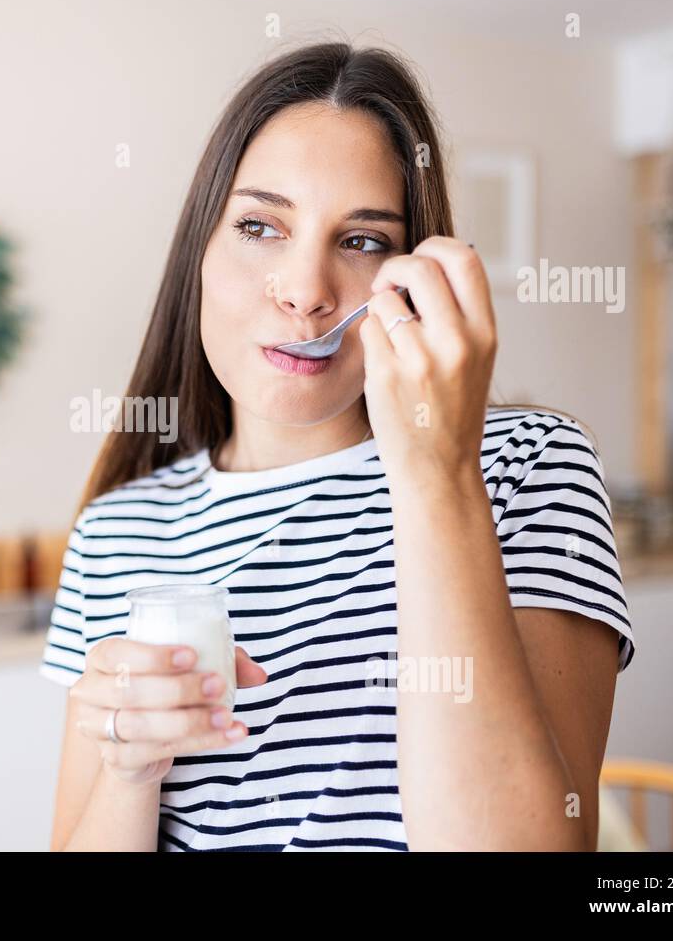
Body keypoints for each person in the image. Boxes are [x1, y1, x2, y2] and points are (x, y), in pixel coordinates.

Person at [39, 41, 635, 851]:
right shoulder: (118, 534)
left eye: (361, 242)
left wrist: (437, 470)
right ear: (199, 256)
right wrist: (128, 772)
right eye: (259, 226)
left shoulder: (526, 468)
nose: (307, 291)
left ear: (411, 277)